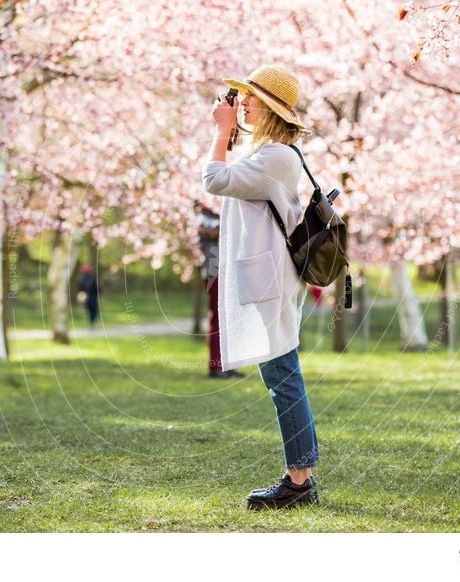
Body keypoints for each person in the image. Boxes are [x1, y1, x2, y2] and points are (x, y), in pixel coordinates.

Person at [202, 64, 318, 510]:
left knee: (284, 377)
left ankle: (299, 481)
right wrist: (228, 131)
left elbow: (214, 179)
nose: (243, 102)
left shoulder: (275, 158)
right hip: (272, 276)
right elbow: (231, 174)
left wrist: (222, 129)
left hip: (271, 278)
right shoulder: (274, 153)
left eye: (250, 97)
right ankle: (300, 475)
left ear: (269, 106)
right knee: (282, 375)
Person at [197, 203, 245, 379]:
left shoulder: (224, 210)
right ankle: (216, 366)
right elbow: (211, 230)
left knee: (230, 320)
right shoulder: (206, 215)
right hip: (215, 272)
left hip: (230, 271)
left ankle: (227, 365)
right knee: (218, 318)